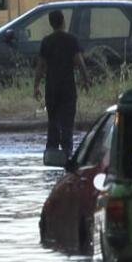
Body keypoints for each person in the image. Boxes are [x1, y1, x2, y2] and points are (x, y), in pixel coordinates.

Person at [33, 9, 83, 158]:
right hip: (68, 88)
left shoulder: (46, 41)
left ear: (51, 24)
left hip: (52, 88)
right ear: (63, 21)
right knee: (67, 123)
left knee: (53, 121)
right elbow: (79, 61)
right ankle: (67, 153)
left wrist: (36, 86)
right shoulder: (71, 40)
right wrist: (86, 78)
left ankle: (52, 153)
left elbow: (40, 66)